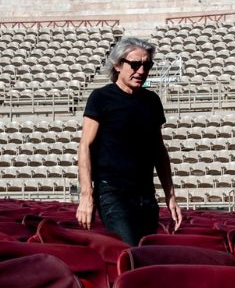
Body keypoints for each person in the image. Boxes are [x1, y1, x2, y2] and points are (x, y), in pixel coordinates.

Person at [76, 36, 182, 245]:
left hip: (145, 194)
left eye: (146, 65)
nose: (141, 71)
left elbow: (158, 151)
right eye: (135, 65)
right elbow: (85, 146)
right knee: (128, 249)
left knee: (143, 252)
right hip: (113, 192)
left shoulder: (152, 101)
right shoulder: (101, 98)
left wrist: (171, 196)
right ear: (117, 65)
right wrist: (86, 195)